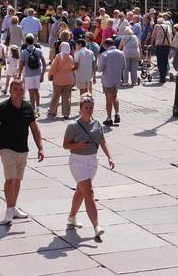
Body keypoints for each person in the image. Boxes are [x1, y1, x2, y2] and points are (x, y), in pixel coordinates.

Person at [0, 79, 45, 225]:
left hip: (23, 149)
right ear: (10, 91)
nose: (19, 93)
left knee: (18, 180)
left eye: (21, 90)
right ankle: (9, 210)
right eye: (16, 90)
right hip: (6, 148)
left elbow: (34, 129)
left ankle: (13, 207)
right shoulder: (2, 108)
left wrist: (40, 147)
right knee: (10, 179)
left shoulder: (27, 107)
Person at [63, 94, 115, 238]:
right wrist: (78, 144)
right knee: (89, 192)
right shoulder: (72, 126)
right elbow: (65, 145)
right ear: (80, 108)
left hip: (92, 161)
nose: (89, 110)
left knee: (81, 191)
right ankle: (96, 226)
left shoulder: (97, 123)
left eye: (91, 108)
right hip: (77, 162)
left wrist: (110, 157)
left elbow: (103, 141)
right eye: (86, 108)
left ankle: (72, 216)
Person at [97, 38, 125, 126]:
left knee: (108, 99)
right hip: (117, 78)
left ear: (105, 45)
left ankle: (109, 118)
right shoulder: (121, 53)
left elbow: (100, 68)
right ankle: (117, 113)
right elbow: (124, 66)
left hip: (107, 79)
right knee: (115, 96)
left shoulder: (105, 54)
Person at [17, 34, 46, 116]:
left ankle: (32, 110)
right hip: (37, 73)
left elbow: (21, 64)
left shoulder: (23, 52)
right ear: (34, 41)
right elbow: (44, 63)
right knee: (37, 91)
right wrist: (42, 74)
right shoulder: (39, 51)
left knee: (31, 93)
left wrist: (19, 74)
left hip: (28, 74)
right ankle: (38, 109)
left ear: (26, 42)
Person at [48, 42, 75, 119]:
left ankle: (53, 111)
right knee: (67, 97)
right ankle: (66, 113)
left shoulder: (58, 56)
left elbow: (53, 67)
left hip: (58, 79)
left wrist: (50, 75)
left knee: (56, 95)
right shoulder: (70, 57)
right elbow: (72, 67)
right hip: (69, 79)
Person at [149, 17, 173, 83]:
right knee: (165, 61)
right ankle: (164, 76)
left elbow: (153, 36)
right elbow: (171, 36)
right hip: (167, 45)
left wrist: (151, 44)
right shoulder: (168, 26)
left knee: (160, 61)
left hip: (159, 45)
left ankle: (162, 77)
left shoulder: (157, 26)